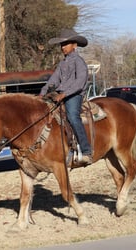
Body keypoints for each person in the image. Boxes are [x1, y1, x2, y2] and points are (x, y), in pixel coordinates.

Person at [39, 29, 92, 165]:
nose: (63, 47)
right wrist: (42, 92)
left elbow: (79, 83)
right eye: (61, 45)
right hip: (60, 95)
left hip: (74, 95)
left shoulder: (79, 62)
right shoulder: (62, 64)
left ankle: (86, 151)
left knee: (73, 117)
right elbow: (54, 80)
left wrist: (64, 94)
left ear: (74, 45)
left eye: (66, 44)